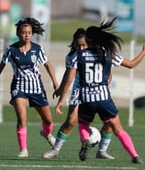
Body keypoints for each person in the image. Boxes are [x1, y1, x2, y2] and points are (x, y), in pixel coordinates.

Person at [54, 17, 145, 163]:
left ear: (88, 40)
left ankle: (85, 140)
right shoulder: (108, 53)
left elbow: (68, 79)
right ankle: (134, 155)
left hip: (86, 98)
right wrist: (144, 51)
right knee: (118, 129)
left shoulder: (77, 56)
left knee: (83, 123)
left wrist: (61, 97)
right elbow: (131, 64)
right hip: (104, 98)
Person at [0, 17, 58, 158]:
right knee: (22, 118)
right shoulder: (11, 50)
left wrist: (55, 83)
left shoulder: (37, 49)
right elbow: (1, 66)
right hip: (19, 87)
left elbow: (47, 65)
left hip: (36, 88)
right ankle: (23, 149)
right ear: (18, 34)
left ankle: (46, 133)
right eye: (24, 33)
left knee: (48, 120)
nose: (27, 35)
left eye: (29, 32)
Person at [43, 28, 114, 159]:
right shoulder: (72, 56)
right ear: (74, 44)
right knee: (71, 121)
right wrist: (60, 91)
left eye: (83, 45)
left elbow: (107, 70)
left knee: (110, 121)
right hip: (78, 91)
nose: (81, 48)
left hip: (97, 92)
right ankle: (55, 149)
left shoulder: (97, 54)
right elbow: (68, 76)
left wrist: (107, 79)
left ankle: (102, 151)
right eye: (78, 45)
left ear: (89, 43)